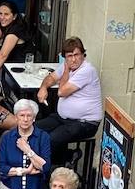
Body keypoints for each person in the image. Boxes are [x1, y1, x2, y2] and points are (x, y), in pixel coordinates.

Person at [36, 37, 103, 168]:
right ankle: (68, 156)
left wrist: (66, 70)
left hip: (86, 123)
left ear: (83, 55)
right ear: (65, 57)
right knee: (34, 129)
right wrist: (43, 88)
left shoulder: (87, 70)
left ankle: (54, 171)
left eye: (77, 55)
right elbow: (51, 77)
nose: (73, 59)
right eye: (69, 56)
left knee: (51, 139)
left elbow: (62, 92)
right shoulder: (67, 65)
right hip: (64, 118)